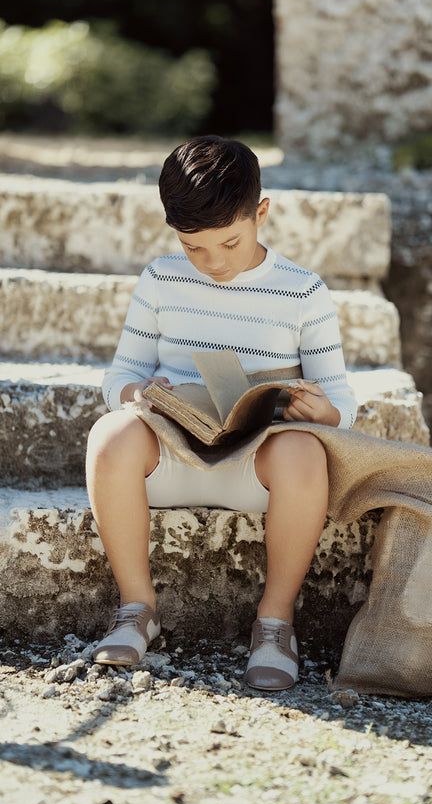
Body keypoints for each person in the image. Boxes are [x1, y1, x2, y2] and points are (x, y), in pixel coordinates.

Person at [85, 135, 357, 691]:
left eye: (230, 242)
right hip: (173, 456)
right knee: (109, 435)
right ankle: (138, 608)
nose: (213, 263)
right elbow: (117, 378)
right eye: (194, 248)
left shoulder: (303, 292)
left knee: (305, 450)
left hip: (257, 471)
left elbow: (342, 402)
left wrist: (322, 411)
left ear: (261, 213)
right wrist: (139, 395)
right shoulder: (161, 280)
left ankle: (275, 623)